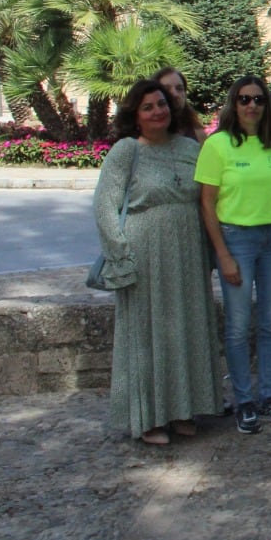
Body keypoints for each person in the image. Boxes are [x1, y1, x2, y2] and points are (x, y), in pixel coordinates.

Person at [95, 79, 221, 445]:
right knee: (146, 335)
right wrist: (120, 254)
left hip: (188, 251)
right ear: (135, 114)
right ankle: (149, 417)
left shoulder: (189, 147)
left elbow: (210, 197)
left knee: (188, 327)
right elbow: (105, 205)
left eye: (162, 104)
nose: (158, 111)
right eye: (148, 106)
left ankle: (184, 409)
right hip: (145, 253)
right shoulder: (125, 151)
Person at [195, 74, 271, 435]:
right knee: (238, 326)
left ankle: (268, 395)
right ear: (233, 104)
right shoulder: (218, 145)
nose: (251, 105)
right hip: (235, 238)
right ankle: (243, 400)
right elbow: (207, 203)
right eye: (244, 99)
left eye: (257, 99)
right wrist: (222, 253)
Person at [155, 67, 208, 144]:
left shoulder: (199, 135)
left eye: (179, 88)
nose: (175, 94)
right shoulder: (142, 139)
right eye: (166, 89)